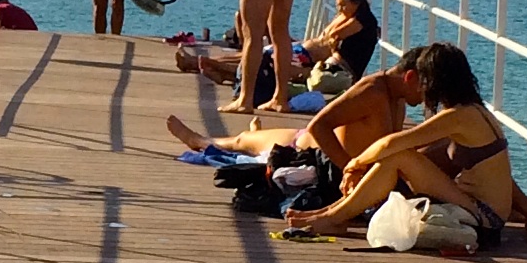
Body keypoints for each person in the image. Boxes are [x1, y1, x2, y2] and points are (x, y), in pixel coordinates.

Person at [282, 42, 527, 244]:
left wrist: (354, 165)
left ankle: (332, 217)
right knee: (410, 155)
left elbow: (391, 144)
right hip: (487, 213)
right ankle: (332, 214)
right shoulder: (474, 111)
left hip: (484, 221)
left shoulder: (456, 117)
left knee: (399, 156)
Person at [170, 47, 415, 172]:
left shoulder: (397, 99)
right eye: (428, 89)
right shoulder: (373, 91)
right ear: (411, 77)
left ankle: (256, 132)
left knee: (254, 139)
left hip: (305, 140)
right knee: (242, 141)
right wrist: (349, 170)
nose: (428, 99)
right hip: (301, 146)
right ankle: (199, 140)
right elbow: (318, 126)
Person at [295, 0, 381, 93]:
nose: (340, 9)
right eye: (338, 5)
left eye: (343, 5)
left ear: (356, 3)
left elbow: (335, 35)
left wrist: (330, 48)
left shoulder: (362, 20)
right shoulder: (348, 15)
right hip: (322, 61)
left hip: (340, 70)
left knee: (290, 68)